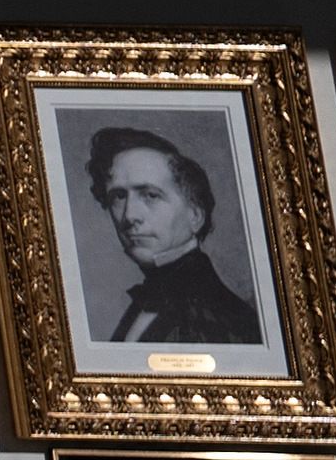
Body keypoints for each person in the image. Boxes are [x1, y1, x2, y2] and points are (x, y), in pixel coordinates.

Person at [78, 128, 263, 346]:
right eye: (119, 196)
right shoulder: (148, 300)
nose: (129, 216)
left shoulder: (222, 318)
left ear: (195, 215)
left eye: (150, 195)